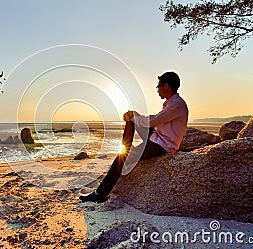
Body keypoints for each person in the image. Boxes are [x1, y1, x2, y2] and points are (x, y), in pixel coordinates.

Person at [80, 71, 188, 203]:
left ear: (166, 86)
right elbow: (153, 121)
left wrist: (135, 118)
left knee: (121, 157)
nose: (157, 90)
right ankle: (126, 148)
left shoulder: (177, 104)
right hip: (157, 137)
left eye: (158, 86)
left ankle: (100, 193)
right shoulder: (172, 103)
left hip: (162, 146)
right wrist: (132, 116)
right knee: (131, 116)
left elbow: (153, 121)